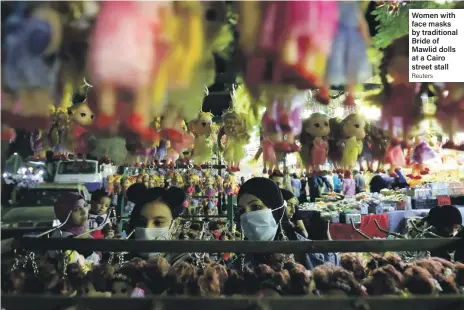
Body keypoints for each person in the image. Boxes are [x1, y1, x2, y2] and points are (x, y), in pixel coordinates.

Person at [237, 177, 338, 270]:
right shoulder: (241, 260)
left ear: (277, 210)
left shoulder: (303, 251)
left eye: (256, 207)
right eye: (241, 211)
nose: (248, 216)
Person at [129, 186, 187, 264]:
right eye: (141, 222)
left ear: (174, 225)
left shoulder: (185, 263)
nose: (147, 229)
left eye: (158, 222)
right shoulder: (121, 257)